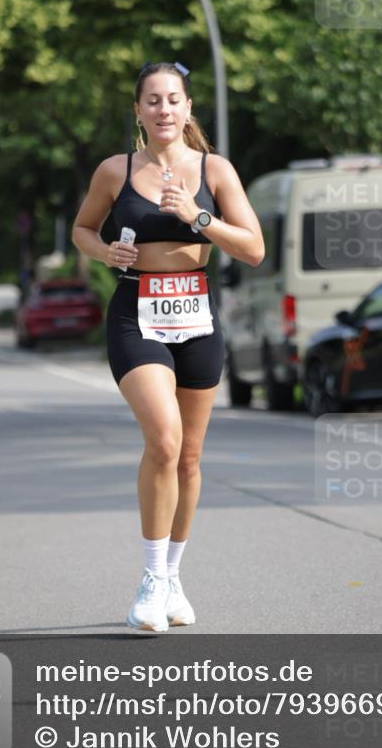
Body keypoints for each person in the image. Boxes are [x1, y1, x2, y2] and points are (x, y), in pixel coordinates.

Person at [72, 61, 264, 632]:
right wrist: (104, 252)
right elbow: (83, 229)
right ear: (138, 110)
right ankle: (152, 580)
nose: (163, 109)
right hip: (137, 314)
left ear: (187, 108)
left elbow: (253, 248)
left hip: (197, 314)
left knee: (189, 458)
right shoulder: (115, 170)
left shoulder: (214, 170)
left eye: (173, 99)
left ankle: (173, 577)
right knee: (163, 438)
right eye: (152, 100)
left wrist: (197, 215)